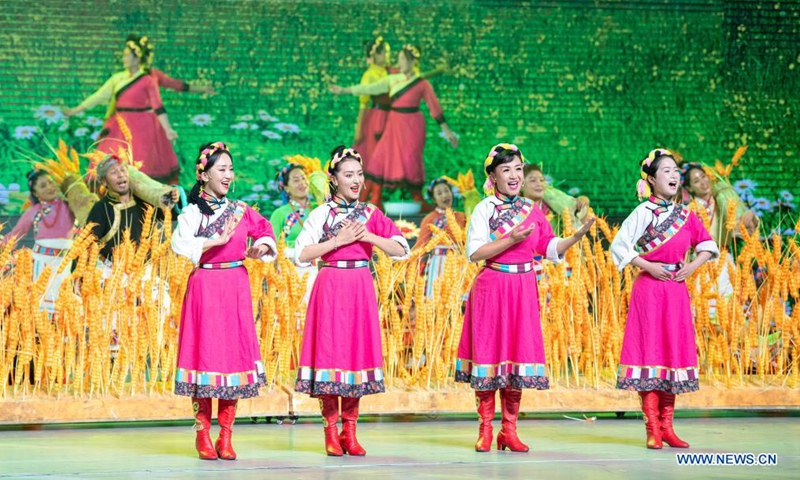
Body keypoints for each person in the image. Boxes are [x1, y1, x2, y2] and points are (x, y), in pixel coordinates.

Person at [456, 144, 594, 452]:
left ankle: (509, 430)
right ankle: (485, 429)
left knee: (518, 359)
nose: (514, 175)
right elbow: (475, 252)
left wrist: (574, 238)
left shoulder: (531, 210)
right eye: (506, 170)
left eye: (518, 169)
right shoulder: (484, 209)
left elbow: (548, 246)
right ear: (493, 177)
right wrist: (509, 240)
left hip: (523, 288)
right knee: (489, 357)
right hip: (492, 287)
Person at [293, 146, 410, 456]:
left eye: (359, 174)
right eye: (348, 175)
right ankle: (331, 432)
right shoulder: (321, 214)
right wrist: (337, 241)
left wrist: (368, 237)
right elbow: (301, 254)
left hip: (360, 286)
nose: (356, 180)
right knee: (330, 356)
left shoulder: (371, 213)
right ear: (333, 179)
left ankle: (351, 432)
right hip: (330, 286)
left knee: (355, 356)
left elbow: (401, 249)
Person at [171, 141, 277, 460]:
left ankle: (226, 436)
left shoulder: (241, 209)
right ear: (204, 175)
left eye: (231, 169)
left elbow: (265, 229)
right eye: (221, 169)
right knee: (205, 357)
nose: (228, 175)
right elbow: (180, 243)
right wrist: (213, 241)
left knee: (233, 359)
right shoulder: (192, 212)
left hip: (235, 287)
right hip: (205, 287)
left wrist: (261, 247)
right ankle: (203, 434)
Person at [610, 148, 719, 449]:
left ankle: (667, 427)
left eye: (675, 171)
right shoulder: (642, 213)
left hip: (675, 290)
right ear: (652, 180)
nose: (673, 175)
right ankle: (652, 428)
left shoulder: (686, 215)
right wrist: (648, 266)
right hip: (649, 289)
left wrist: (692, 266)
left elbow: (707, 245)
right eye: (666, 171)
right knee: (650, 353)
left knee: (672, 353)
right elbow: (620, 247)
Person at [331, 45, 458, 210]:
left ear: (413, 61)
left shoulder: (422, 83)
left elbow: (434, 107)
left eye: (403, 59)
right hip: (394, 123)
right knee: (379, 158)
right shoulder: (392, 79)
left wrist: (448, 132)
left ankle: (418, 199)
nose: (400, 63)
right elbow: (368, 88)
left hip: (413, 125)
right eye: (399, 59)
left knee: (410, 160)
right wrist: (343, 90)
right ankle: (370, 200)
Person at [64, 35, 180, 182]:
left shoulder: (147, 80)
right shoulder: (118, 78)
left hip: (142, 128)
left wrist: (168, 129)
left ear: (136, 58)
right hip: (119, 125)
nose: (123, 58)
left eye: (126, 55)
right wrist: (75, 110)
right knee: (110, 158)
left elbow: (157, 105)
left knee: (139, 165)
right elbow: (98, 96)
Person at [3, 171, 76, 312]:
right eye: (43, 186)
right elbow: (17, 233)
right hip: (42, 261)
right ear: (36, 193)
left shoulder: (69, 205)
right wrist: (3, 247)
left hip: (64, 261)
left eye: (50, 182)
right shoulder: (34, 211)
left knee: (62, 300)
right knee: (42, 300)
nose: (49, 187)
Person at [269, 163, 318, 297]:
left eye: (303, 178)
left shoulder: (319, 208)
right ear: (286, 188)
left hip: (320, 272)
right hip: (291, 274)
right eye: (296, 180)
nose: (302, 183)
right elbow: (272, 248)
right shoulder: (280, 214)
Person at [413, 177, 466, 297]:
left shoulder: (461, 217)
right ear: (434, 199)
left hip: (458, 264)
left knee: (457, 300)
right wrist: (413, 271)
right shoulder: (429, 219)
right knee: (436, 299)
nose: (444, 195)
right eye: (439, 193)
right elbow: (420, 246)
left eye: (446, 191)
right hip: (438, 264)